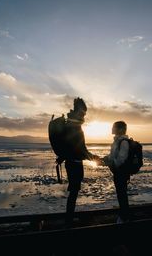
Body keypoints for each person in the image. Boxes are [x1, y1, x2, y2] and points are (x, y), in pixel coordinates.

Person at [64, 97, 100, 227]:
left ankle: (69, 218)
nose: (84, 115)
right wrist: (94, 158)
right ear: (76, 110)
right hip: (74, 163)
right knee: (74, 192)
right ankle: (69, 221)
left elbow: (78, 148)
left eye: (84, 113)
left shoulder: (71, 124)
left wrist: (91, 157)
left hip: (72, 162)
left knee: (74, 191)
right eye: (82, 113)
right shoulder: (75, 127)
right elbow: (81, 149)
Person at [104, 121, 131, 223]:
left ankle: (124, 217)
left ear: (120, 129)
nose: (111, 129)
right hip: (117, 172)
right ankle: (124, 214)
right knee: (120, 194)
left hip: (121, 173)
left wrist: (110, 163)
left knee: (122, 194)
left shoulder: (123, 142)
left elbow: (121, 159)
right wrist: (106, 159)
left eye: (113, 127)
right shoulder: (116, 141)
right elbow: (113, 156)